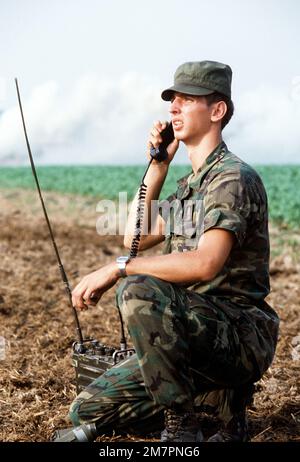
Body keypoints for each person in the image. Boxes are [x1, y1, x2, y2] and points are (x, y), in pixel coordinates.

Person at [57, 61, 279, 442]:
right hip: (190, 335)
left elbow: (206, 264)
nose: (173, 107)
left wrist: (119, 269)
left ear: (217, 110)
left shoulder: (232, 179)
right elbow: (134, 239)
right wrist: (158, 166)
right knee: (87, 409)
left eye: (187, 99)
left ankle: (183, 426)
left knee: (138, 289)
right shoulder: (190, 187)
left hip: (240, 335)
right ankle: (216, 405)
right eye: (172, 100)